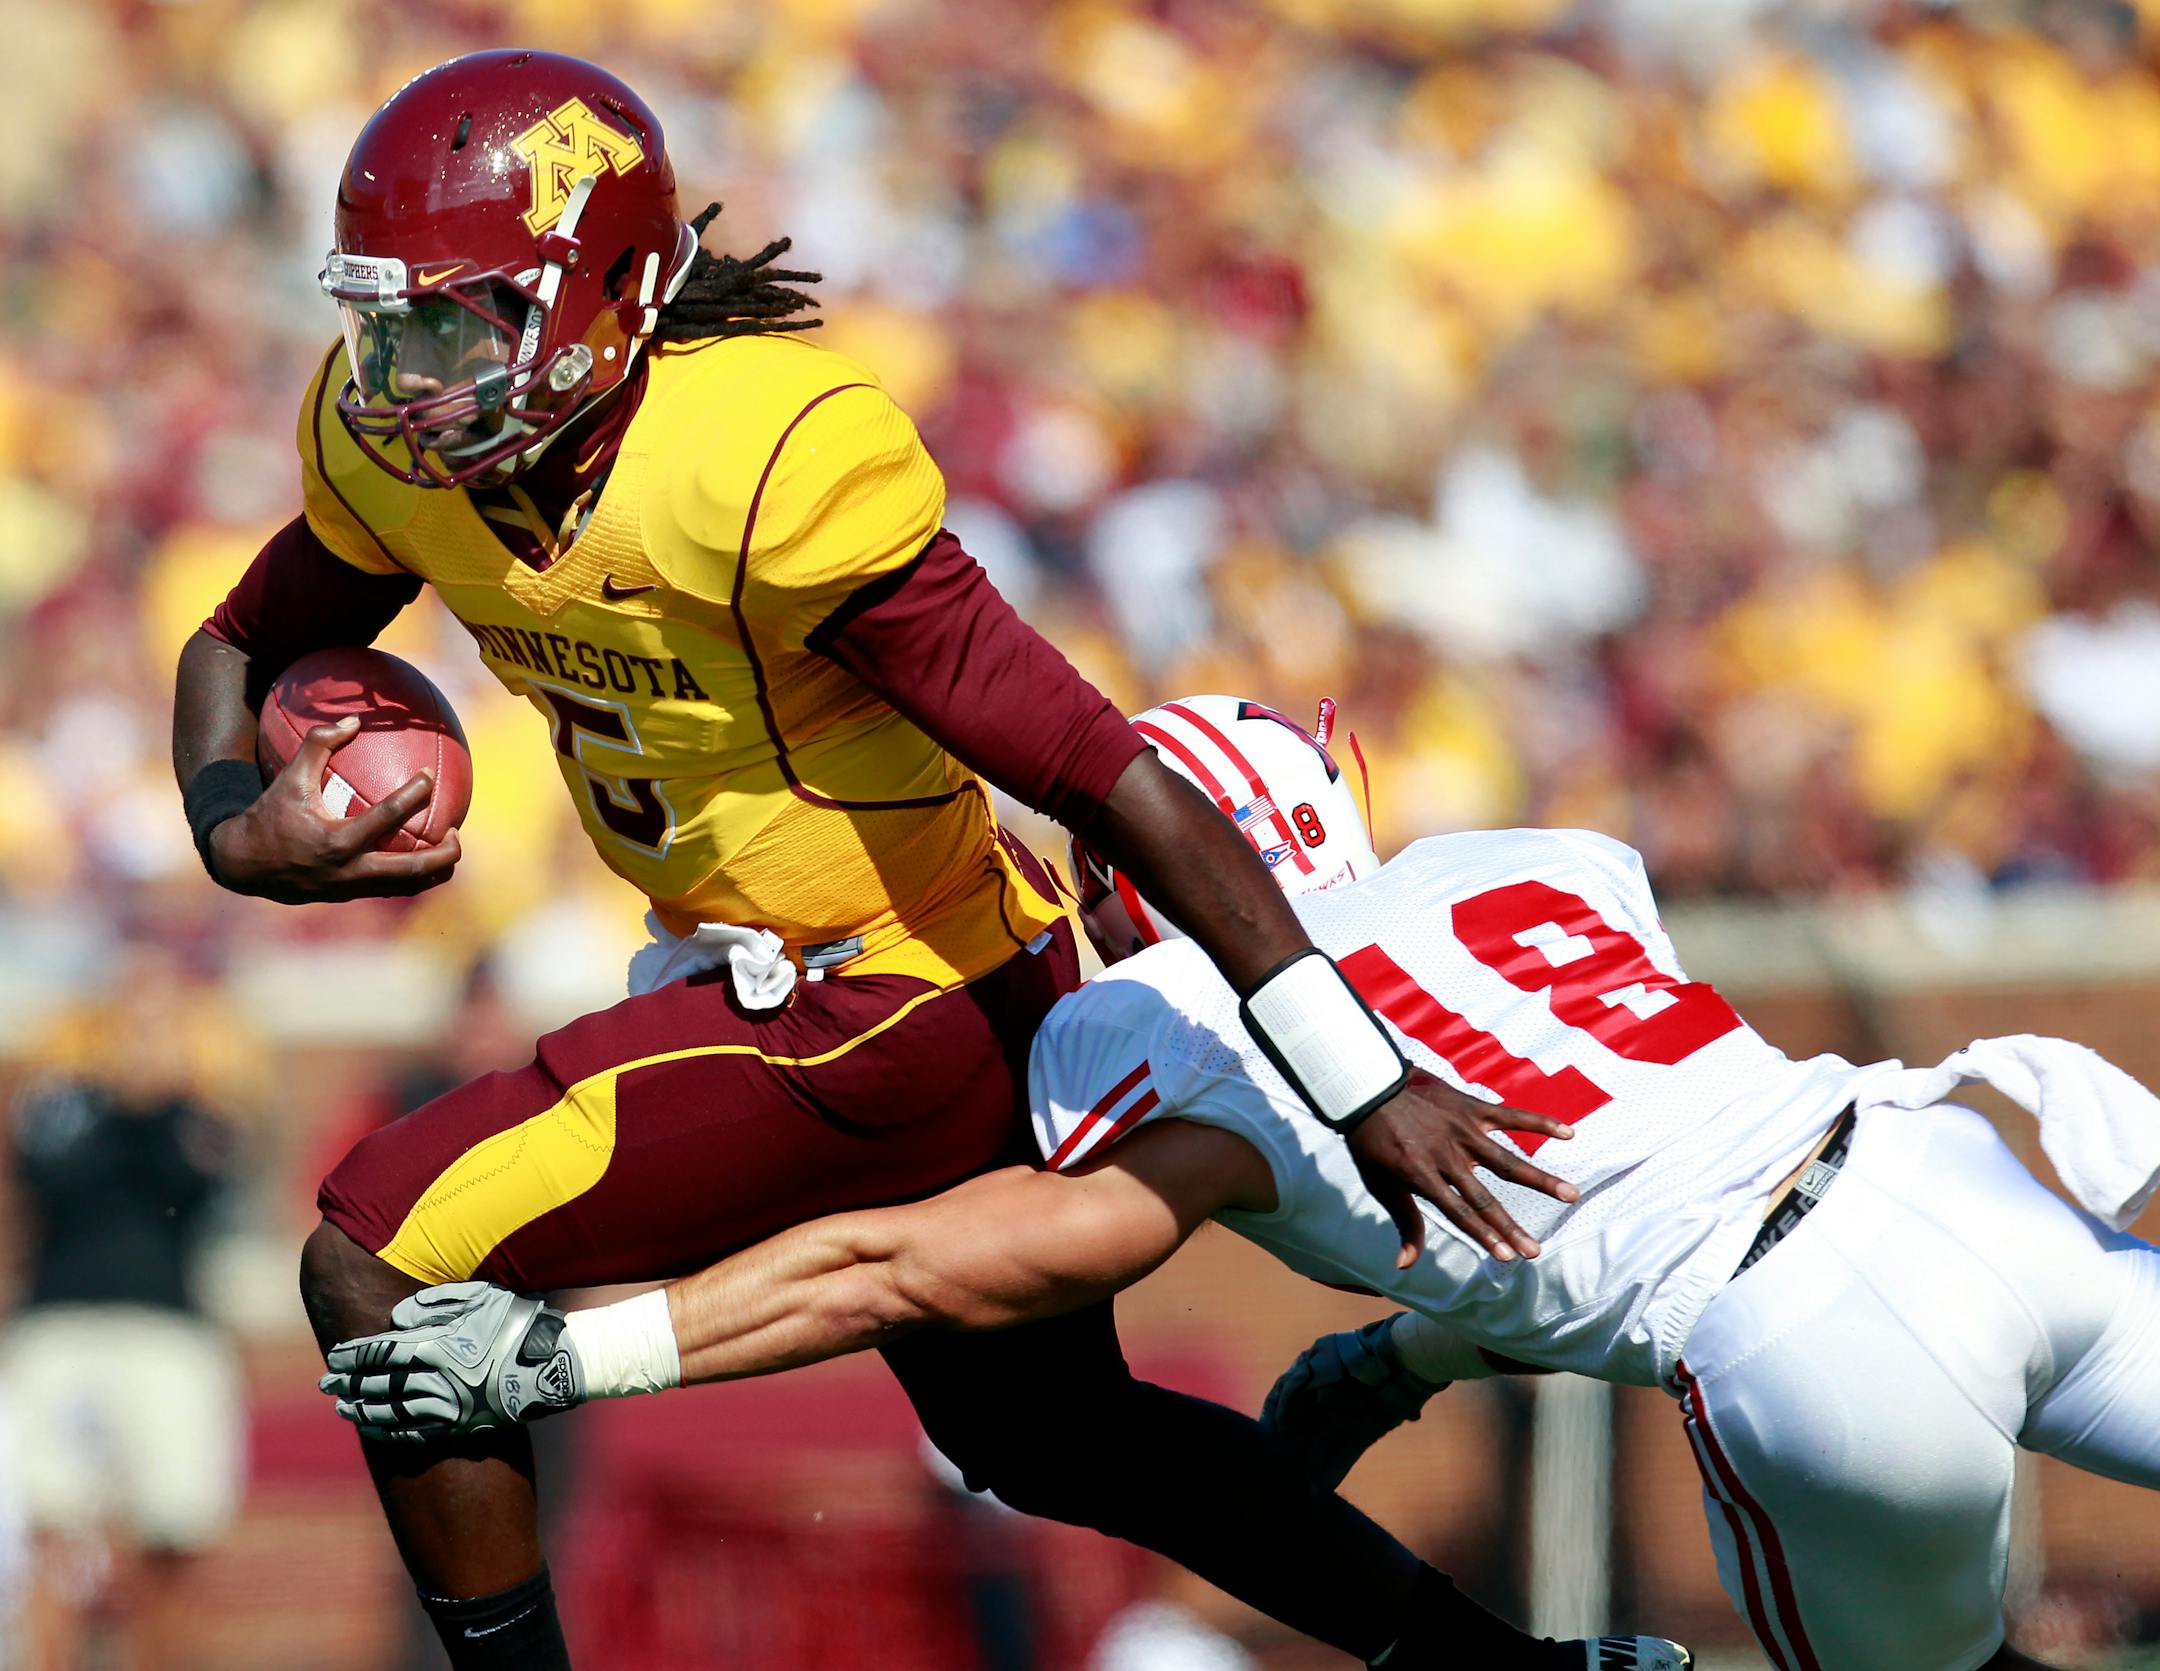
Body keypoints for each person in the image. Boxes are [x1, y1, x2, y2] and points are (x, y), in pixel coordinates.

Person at [172, 50, 1597, 1671]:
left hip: (895, 996)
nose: (405, 371)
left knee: (373, 1251)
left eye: (459, 320)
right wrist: (237, 830)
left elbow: (1103, 774)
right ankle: (1501, 1667)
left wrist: (1361, 1075)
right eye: (386, 318)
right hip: (785, 988)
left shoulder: (759, 461)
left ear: (616, 296)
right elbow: (241, 638)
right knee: (1056, 1442)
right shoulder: (398, 460)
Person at [325, 692, 2160, 1671]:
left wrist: (586, 1354)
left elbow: (928, 1271)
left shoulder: (1181, 1038)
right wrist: (1406, 1361)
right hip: (1961, 1182)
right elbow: (1612, 1163)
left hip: (1815, 1349)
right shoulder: (1543, 861)